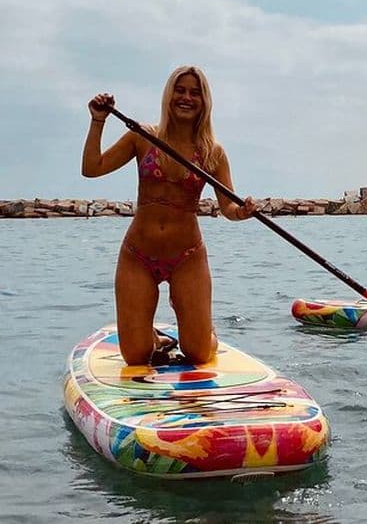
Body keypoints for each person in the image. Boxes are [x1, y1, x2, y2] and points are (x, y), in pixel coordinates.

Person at [82, 65, 258, 366]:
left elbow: (228, 208)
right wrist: (98, 122)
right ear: (168, 96)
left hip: (187, 257)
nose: (186, 97)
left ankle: (204, 332)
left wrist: (241, 212)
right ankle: (151, 336)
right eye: (180, 90)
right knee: (137, 357)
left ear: (204, 101)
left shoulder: (212, 152)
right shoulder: (143, 137)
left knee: (199, 353)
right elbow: (92, 168)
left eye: (194, 92)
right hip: (137, 255)